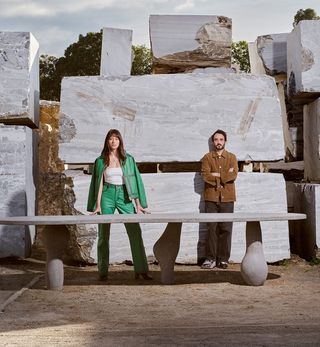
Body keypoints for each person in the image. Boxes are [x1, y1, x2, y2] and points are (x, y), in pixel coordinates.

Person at [87, 129, 152, 281]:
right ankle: (102, 272)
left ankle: (141, 270)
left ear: (120, 141)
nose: (114, 141)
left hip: (125, 196)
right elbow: (99, 184)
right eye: (111, 139)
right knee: (104, 235)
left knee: (135, 232)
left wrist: (138, 204)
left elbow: (133, 181)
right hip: (107, 195)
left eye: (116, 138)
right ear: (107, 142)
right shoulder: (100, 160)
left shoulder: (128, 159)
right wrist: (98, 205)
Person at [201, 129, 238, 269]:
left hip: (228, 198)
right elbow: (205, 175)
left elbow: (233, 175)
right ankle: (210, 259)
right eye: (216, 140)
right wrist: (223, 176)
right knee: (211, 228)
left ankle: (223, 259)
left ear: (225, 141)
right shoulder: (207, 158)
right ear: (213, 142)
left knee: (226, 229)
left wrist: (216, 175)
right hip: (211, 198)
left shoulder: (232, 157)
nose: (218, 142)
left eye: (221, 140)